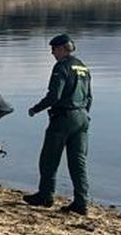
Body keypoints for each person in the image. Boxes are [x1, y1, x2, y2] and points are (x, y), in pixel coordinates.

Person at [23, 33, 93, 215]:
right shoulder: (83, 67)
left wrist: (35, 109)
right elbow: (89, 97)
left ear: (62, 48)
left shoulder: (62, 67)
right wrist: (84, 114)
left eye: (54, 49)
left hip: (63, 118)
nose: (52, 53)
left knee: (49, 159)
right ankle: (81, 202)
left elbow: (55, 95)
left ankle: (45, 196)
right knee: (78, 162)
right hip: (82, 118)